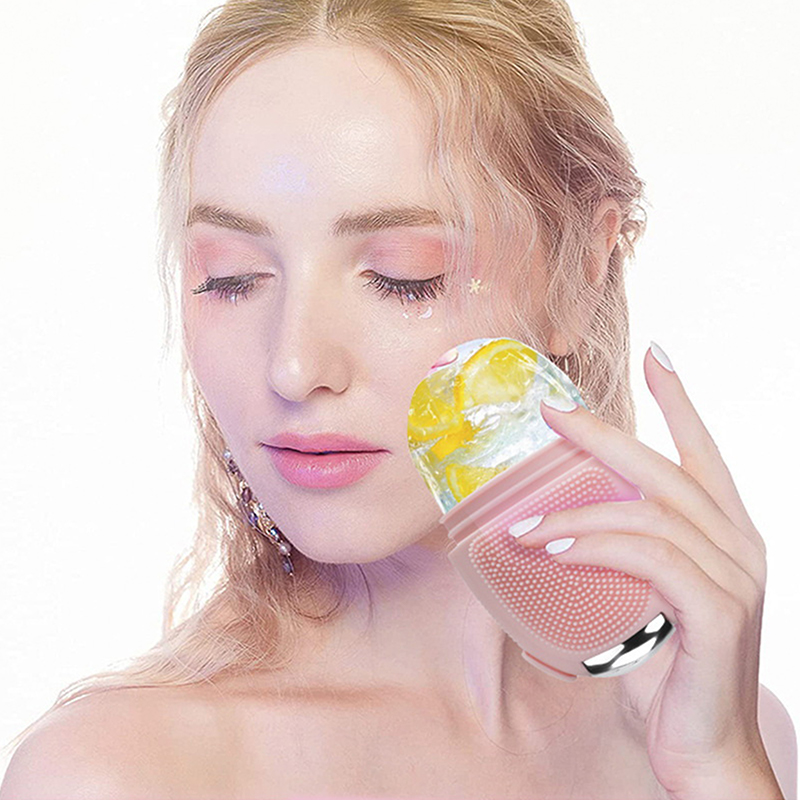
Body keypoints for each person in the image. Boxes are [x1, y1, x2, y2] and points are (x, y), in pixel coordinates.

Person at [1, 1, 796, 798]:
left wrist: (720, 773)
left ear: (581, 272)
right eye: (232, 277)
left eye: (403, 277)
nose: (294, 366)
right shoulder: (114, 773)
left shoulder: (719, 734)